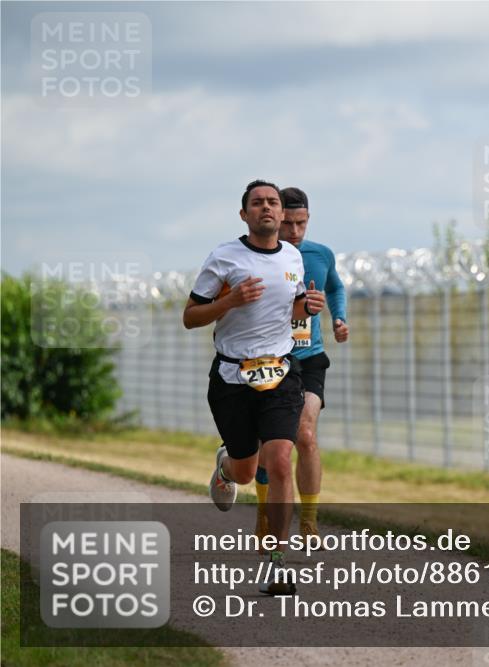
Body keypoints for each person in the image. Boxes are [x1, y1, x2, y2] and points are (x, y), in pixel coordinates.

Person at [183, 179, 326, 595]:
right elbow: (190, 316)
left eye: (273, 202)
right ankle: (227, 465)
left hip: (282, 372)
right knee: (247, 469)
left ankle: (278, 564)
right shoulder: (224, 258)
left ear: (282, 216)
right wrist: (229, 301)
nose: (266, 207)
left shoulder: (294, 258)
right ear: (244, 214)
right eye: (257, 202)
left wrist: (308, 307)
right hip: (232, 376)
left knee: (280, 459)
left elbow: (291, 307)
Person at [253, 186, 349, 546]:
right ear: (276, 218)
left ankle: (309, 521)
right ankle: (264, 512)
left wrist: (339, 319)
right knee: (269, 446)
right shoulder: (262, 255)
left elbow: (335, 287)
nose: (294, 232)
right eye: (288, 223)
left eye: (302, 224)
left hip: (309, 359)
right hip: (269, 358)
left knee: (305, 434)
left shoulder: (320, 254)